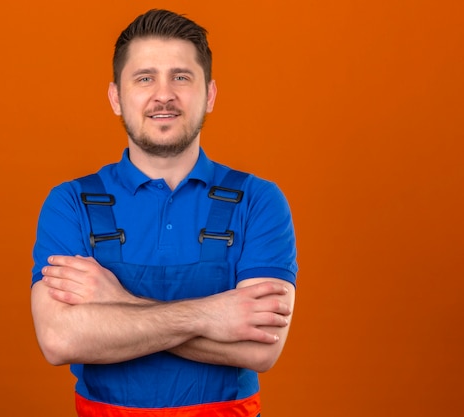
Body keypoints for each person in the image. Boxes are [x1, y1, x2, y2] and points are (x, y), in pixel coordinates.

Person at [31, 9, 298, 417]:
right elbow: (60, 339)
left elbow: (261, 349)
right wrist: (212, 315)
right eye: (144, 78)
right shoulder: (70, 202)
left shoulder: (258, 200)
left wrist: (117, 302)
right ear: (116, 97)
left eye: (181, 76)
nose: (164, 94)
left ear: (209, 94)